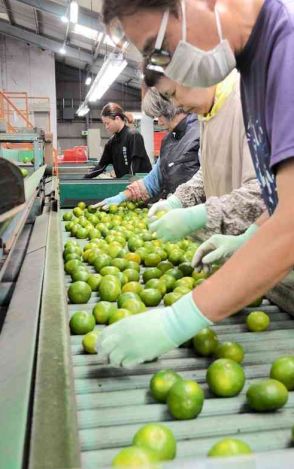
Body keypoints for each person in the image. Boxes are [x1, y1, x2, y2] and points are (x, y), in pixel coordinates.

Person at [98, 0, 294, 368]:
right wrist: (250, 235)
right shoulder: (255, 66)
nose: (166, 66)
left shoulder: (287, 53)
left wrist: (178, 320)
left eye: (160, 47)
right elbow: (281, 195)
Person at [145, 68, 265, 242]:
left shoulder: (247, 103)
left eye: (173, 94)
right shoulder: (206, 114)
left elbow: (265, 190)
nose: (175, 105)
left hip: (262, 244)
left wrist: (203, 214)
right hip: (227, 242)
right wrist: (179, 200)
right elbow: (209, 171)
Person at [93, 89, 200, 209]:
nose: (158, 122)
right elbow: (154, 179)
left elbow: (205, 181)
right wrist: (122, 196)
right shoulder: (169, 140)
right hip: (175, 216)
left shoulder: (200, 133)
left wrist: (175, 202)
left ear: (169, 110)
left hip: (199, 217)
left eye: (159, 115)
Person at [84, 102, 151, 179]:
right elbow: (101, 166)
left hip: (141, 184)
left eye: (108, 123)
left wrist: (128, 183)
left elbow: (135, 166)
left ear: (117, 119)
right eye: (104, 124)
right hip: (125, 184)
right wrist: (84, 178)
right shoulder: (111, 143)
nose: (106, 127)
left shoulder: (133, 136)